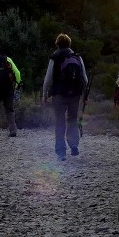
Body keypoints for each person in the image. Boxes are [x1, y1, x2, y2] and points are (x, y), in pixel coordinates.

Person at [41, 33, 89, 161]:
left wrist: (44, 95)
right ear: (69, 43)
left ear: (57, 44)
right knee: (72, 120)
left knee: (59, 122)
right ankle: (73, 145)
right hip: (75, 94)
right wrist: (84, 95)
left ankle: (61, 151)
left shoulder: (54, 57)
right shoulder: (77, 57)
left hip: (59, 95)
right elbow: (84, 78)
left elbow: (48, 79)